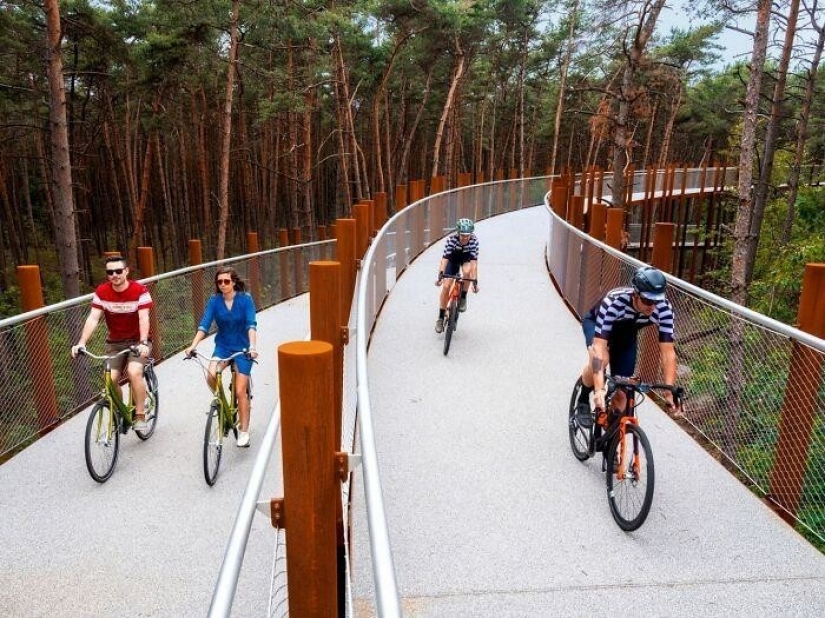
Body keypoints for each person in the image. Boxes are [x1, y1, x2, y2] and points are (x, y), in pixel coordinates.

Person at [575, 265, 677, 420]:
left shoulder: (663, 310)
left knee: (623, 391)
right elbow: (599, 349)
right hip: (596, 325)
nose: (653, 306)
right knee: (600, 362)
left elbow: (668, 353)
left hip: (626, 333)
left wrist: (669, 389)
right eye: (648, 300)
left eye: (657, 300)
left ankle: (610, 436)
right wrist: (598, 389)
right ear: (635, 294)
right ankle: (582, 399)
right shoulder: (614, 303)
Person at [71, 255, 154, 431]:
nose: (114, 275)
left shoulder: (140, 290)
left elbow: (143, 317)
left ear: (126, 271)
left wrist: (144, 342)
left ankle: (140, 415)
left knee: (134, 372)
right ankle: (119, 410)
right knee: (110, 380)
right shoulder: (102, 291)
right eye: (110, 272)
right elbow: (93, 318)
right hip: (115, 343)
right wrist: (81, 342)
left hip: (137, 342)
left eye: (118, 271)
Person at [185, 266, 258, 447]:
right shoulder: (214, 301)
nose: (223, 285)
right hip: (223, 347)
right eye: (219, 282)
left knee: (241, 391)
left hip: (243, 348)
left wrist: (253, 347)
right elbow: (204, 325)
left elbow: (251, 325)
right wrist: (193, 346)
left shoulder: (245, 299)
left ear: (233, 282)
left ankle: (243, 431)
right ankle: (223, 403)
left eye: (226, 281)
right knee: (211, 375)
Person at [435, 218, 479, 333]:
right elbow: (445, 259)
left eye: (467, 235)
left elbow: (474, 264)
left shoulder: (474, 241)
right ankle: (440, 317)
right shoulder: (451, 240)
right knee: (446, 286)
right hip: (453, 260)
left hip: (466, 259)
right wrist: (440, 275)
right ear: (458, 233)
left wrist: (475, 282)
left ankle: (463, 297)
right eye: (462, 235)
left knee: (467, 272)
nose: (465, 238)